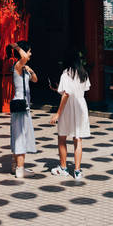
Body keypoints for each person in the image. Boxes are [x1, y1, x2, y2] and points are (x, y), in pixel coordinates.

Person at [49, 49, 91, 181]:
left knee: (62, 137)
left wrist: (57, 114)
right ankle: (77, 171)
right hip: (81, 106)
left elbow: (66, 94)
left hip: (68, 107)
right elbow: (82, 89)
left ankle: (63, 168)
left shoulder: (66, 74)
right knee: (78, 139)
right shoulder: (83, 73)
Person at [9, 41, 37, 179]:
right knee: (20, 137)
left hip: (23, 106)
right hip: (20, 105)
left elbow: (35, 80)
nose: (30, 54)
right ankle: (20, 169)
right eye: (29, 51)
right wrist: (16, 47)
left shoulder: (24, 68)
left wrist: (31, 70)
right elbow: (24, 57)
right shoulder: (17, 66)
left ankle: (16, 165)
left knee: (19, 135)